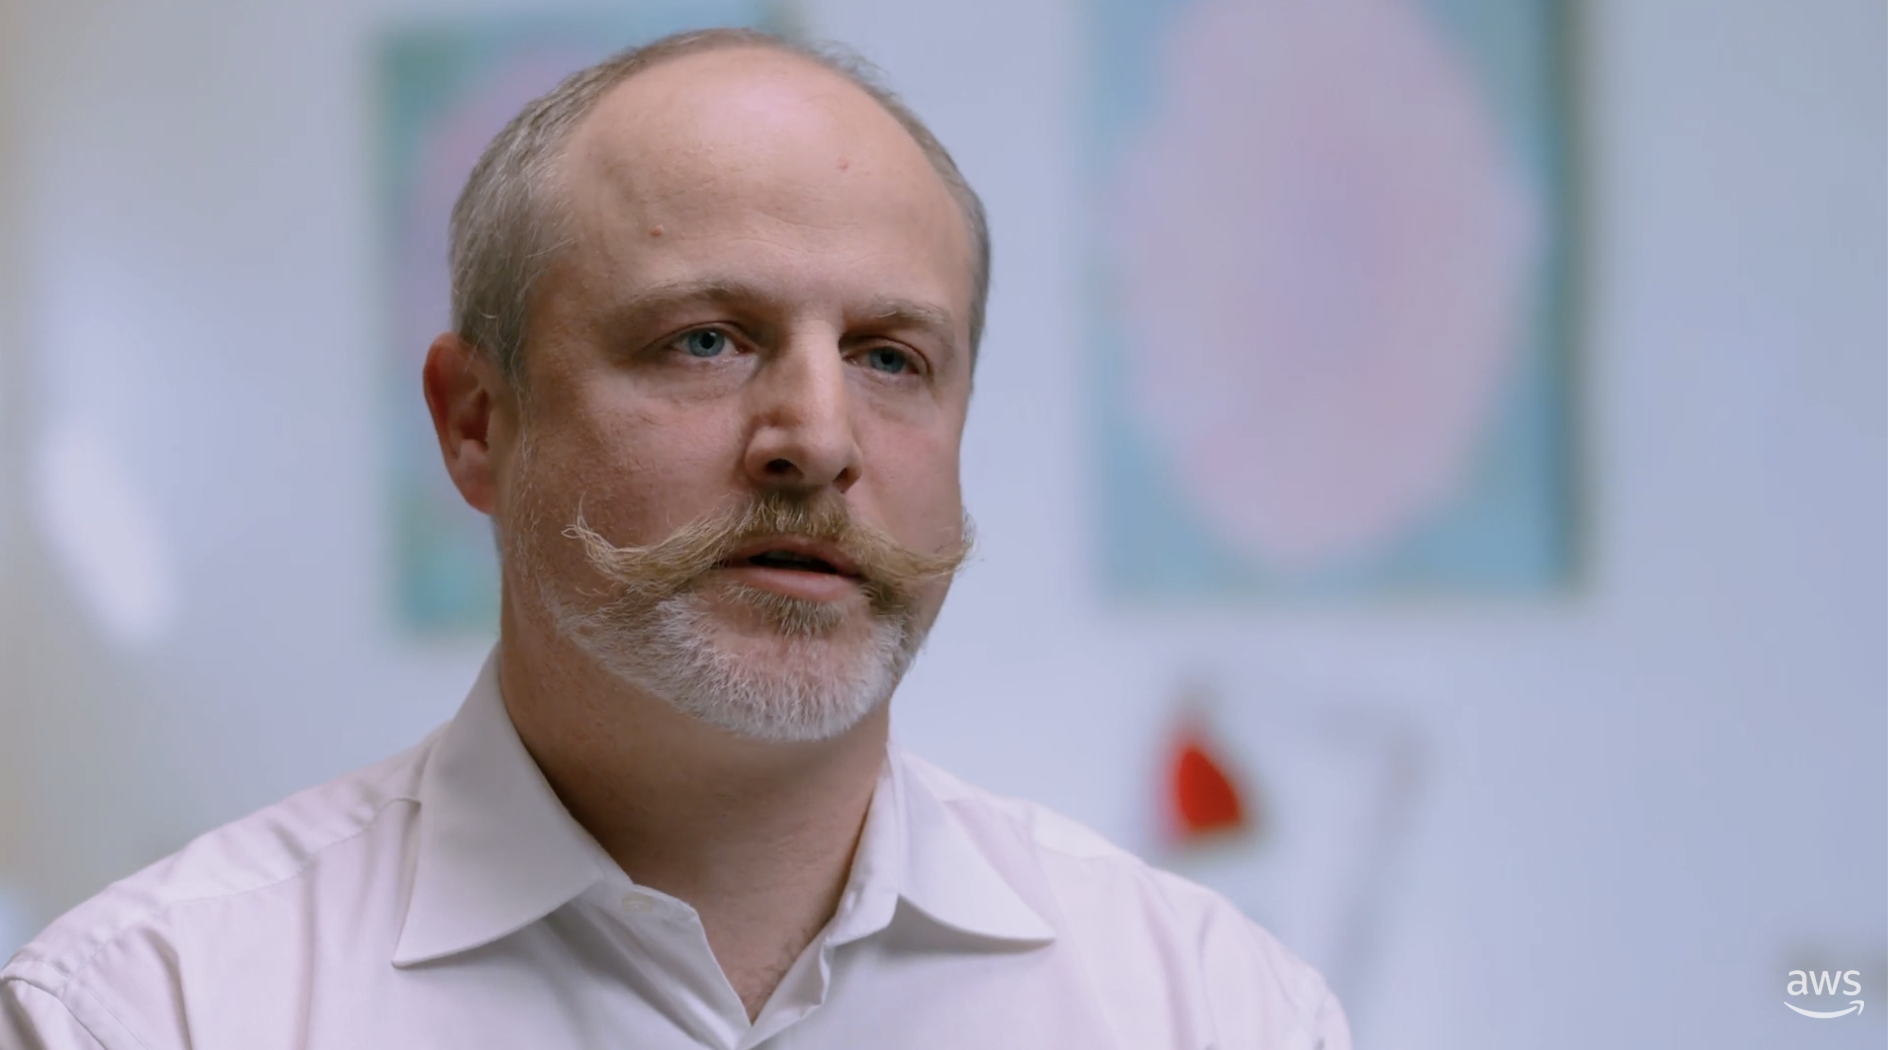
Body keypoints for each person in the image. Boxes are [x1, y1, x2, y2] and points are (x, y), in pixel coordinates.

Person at [0, 28, 1348, 1049]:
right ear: (477, 423)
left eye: (889, 357)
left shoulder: (1214, 1006)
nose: (816, 438)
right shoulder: (144, 1010)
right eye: (706, 338)